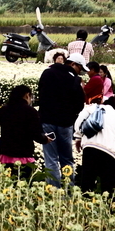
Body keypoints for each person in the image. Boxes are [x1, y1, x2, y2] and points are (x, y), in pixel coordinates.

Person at [0, 84, 52, 179]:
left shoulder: (5, 109)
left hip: (6, 154)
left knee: (7, 186)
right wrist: (45, 139)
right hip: (24, 155)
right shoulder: (31, 111)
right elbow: (36, 134)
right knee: (23, 184)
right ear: (27, 95)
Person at [37, 49, 84, 185]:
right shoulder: (74, 79)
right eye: (79, 68)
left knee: (51, 159)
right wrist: (71, 114)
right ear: (73, 64)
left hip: (47, 121)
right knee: (66, 159)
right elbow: (79, 104)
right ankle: (69, 190)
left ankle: (53, 191)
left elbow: (41, 94)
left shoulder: (47, 73)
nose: (79, 72)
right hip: (65, 124)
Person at [75, 98, 115, 195]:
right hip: (110, 152)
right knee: (107, 187)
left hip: (90, 147)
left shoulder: (94, 108)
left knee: (87, 183)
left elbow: (80, 118)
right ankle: (108, 208)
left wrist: (78, 136)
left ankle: (85, 206)